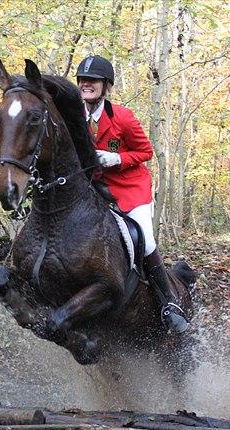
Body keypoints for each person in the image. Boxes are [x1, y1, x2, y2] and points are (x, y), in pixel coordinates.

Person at [76, 54, 189, 333]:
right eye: (83, 80)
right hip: (94, 189)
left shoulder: (123, 117)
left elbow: (145, 152)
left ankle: (169, 304)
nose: (86, 84)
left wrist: (116, 159)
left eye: (93, 81)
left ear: (106, 86)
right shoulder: (74, 118)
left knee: (146, 240)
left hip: (129, 187)